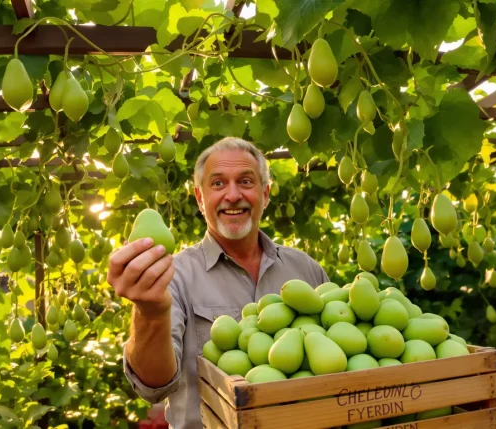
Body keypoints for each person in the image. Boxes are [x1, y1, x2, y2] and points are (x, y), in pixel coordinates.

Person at [106, 137, 329, 428]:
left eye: (246, 182)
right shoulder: (174, 275)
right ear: (200, 198)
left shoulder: (307, 270)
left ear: (265, 193)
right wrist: (150, 313)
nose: (233, 195)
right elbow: (153, 385)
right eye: (218, 184)